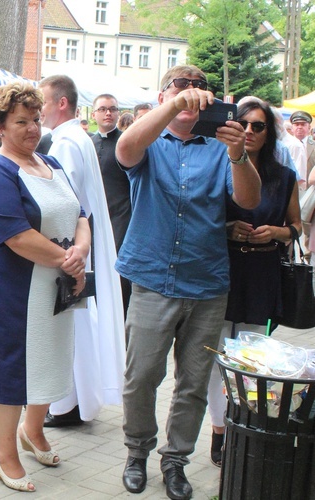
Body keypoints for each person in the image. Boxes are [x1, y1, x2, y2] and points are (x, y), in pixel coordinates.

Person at [115, 65, 261, 500]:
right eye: (181, 88)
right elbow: (125, 148)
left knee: (194, 383)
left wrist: (239, 154)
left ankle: (175, 461)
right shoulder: (149, 143)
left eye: (199, 90)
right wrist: (175, 103)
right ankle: (137, 452)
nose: (192, 96)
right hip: (152, 277)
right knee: (141, 376)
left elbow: (249, 200)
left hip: (206, 281)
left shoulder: (221, 148)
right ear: (162, 97)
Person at [0, 82, 90, 493]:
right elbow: (16, 236)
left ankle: (33, 430)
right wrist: (69, 260)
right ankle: (5, 454)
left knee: (51, 356)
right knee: (11, 367)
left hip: (55, 281)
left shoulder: (51, 162)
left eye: (36, 119)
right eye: (21, 121)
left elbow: (81, 215)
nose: (32, 128)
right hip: (10, 285)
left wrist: (80, 252)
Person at [205, 98, 301, 467]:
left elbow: (295, 227)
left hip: (262, 273)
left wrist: (275, 232)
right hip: (222, 269)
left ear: (268, 132)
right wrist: (229, 227)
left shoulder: (283, 176)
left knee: (249, 359)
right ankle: (219, 429)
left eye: (258, 126)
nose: (248, 132)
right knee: (215, 356)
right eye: (243, 124)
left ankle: (244, 425)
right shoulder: (219, 167)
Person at [37, 77, 125, 429]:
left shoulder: (66, 144)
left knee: (70, 325)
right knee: (78, 323)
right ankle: (75, 400)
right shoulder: (76, 137)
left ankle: (67, 403)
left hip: (70, 247)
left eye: (42, 101)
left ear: (61, 103)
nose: (38, 109)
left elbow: (64, 202)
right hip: (80, 244)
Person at [91, 94, 132, 317]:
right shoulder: (89, 143)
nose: (108, 113)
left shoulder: (126, 142)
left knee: (117, 275)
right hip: (94, 218)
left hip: (121, 217)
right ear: (94, 114)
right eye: (103, 109)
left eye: (113, 109)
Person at [290, 110, 315, 177]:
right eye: (297, 124)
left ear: (309, 128)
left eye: (303, 124)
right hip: (291, 185)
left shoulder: (314, 146)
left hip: (310, 186)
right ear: (292, 128)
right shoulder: (285, 146)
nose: (300, 127)